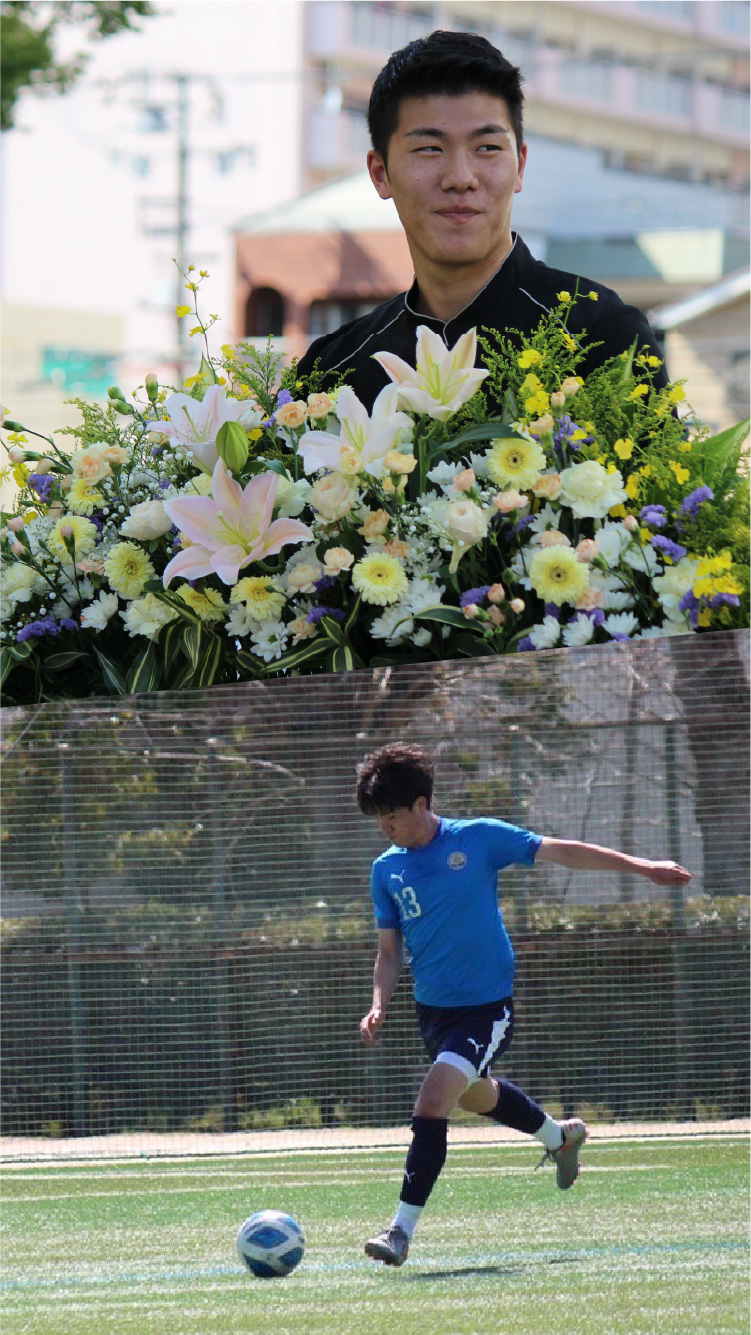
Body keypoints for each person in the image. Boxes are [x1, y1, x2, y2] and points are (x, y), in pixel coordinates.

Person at [356, 742, 692, 1267]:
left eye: (392, 816)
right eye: (378, 819)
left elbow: (562, 850)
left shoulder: (478, 839)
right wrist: (378, 1003)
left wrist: (643, 866)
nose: (385, 827)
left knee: (433, 1098)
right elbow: (388, 952)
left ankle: (400, 1231)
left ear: (421, 804)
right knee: (475, 1096)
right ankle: (560, 1138)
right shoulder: (386, 870)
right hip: (433, 1013)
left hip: (487, 1008)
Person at [297, 30, 668, 411]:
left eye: (487, 148)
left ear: (519, 165)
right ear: (380, 173)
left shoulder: (601, 337)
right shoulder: (331, 375)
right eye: (429, 149)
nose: (461, 178)